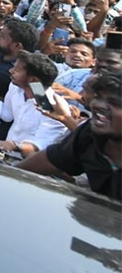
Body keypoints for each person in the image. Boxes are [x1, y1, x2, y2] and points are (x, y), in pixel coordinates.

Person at [17, 72, 120, 200]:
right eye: (98, 98)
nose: (99, 105)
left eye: (115, 103)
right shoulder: (89, 133)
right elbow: (49, 160)